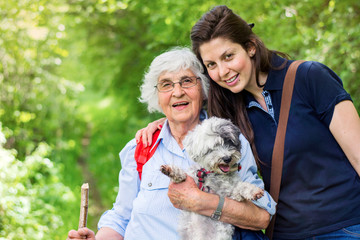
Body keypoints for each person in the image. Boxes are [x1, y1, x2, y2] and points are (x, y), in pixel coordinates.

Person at [136, 5, 360, 240]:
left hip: (345, 225)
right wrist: (162, 123)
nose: (223, 71)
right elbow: (188, 114)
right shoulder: (228, 110)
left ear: (250, 47)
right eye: (211, 64)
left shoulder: (309, 77)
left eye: (228, 56)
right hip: (286, 232)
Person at [67, 47, 276, 240]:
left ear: (202, 89)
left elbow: (260, 216)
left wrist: (203, 202)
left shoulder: (231, 143)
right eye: (166, 84)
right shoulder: (140, 147)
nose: (177, 92)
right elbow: (121, 218)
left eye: (187, 81)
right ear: (157, 96)